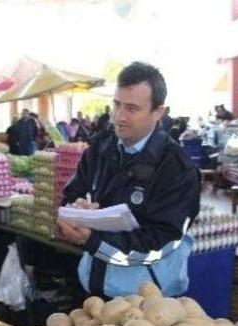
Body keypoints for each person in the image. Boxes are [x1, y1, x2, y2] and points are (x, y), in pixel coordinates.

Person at [58, 61, 200, 298]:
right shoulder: (100, 148)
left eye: (132, 108)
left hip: (148, 303)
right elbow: (72, 194)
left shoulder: (176, 168)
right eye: (117, 105)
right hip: (94, 290)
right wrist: (77, 209)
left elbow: (162, 244)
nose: (119, 117)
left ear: (158, 112)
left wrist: (93, 239)